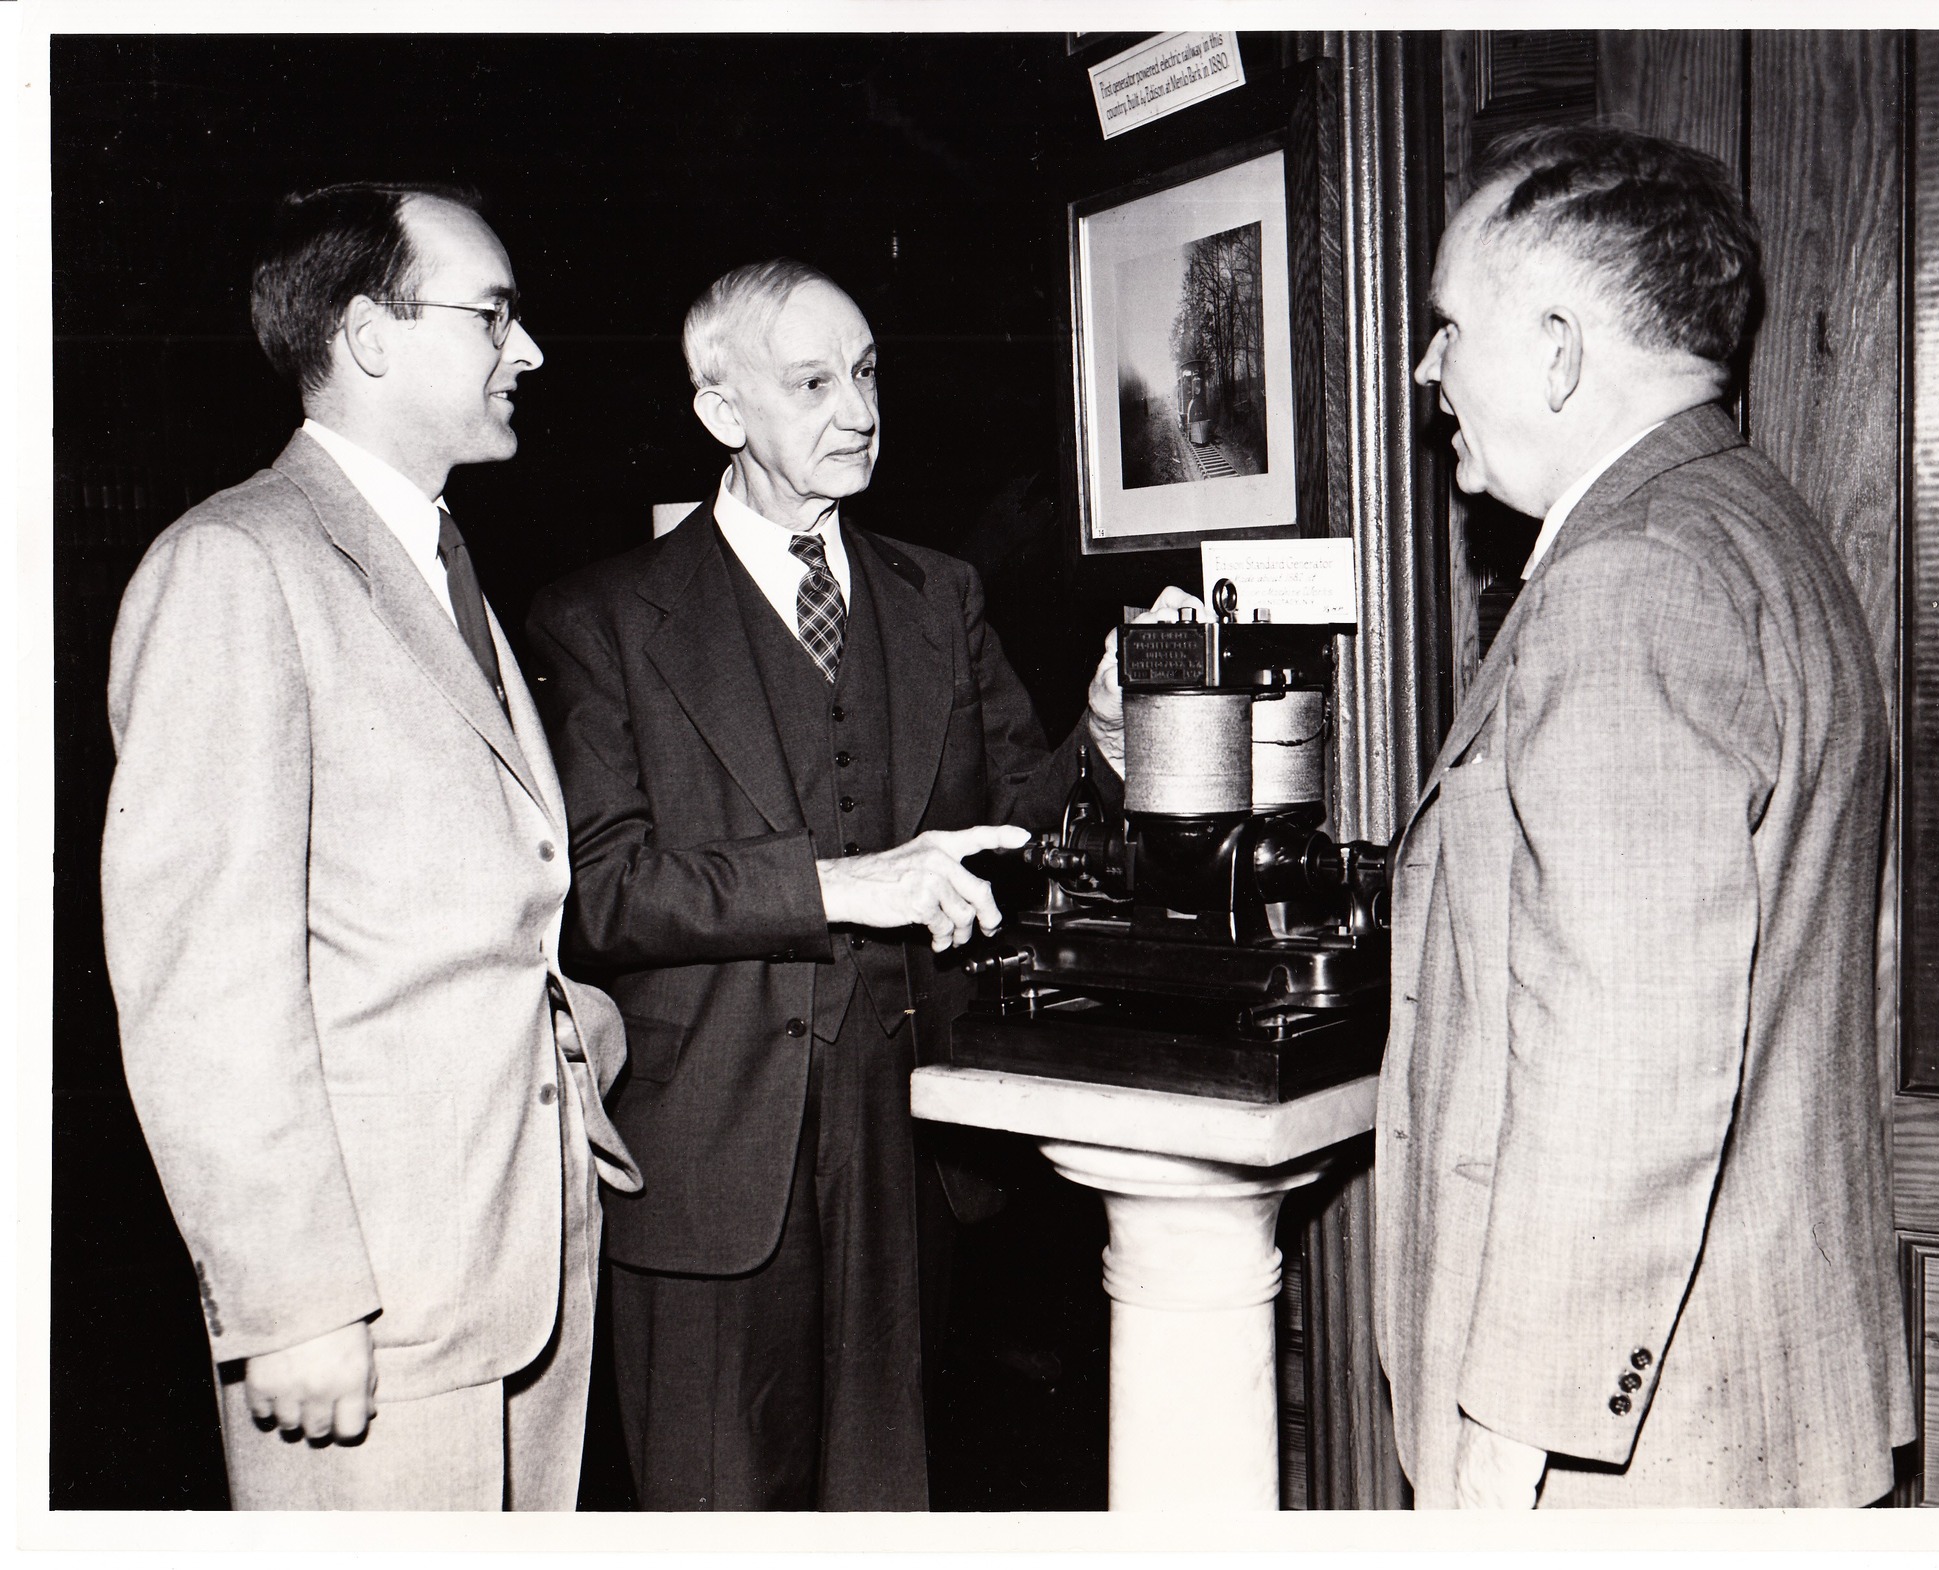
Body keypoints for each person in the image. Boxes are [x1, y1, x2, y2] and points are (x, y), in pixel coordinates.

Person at [525, 258, 1168, 1510]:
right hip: (708, 1162)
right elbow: (599, 890)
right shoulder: (600, 618)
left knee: (893, 1500)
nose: (860, 411)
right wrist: (834, 884)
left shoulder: (940, 594)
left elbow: (1009, 835)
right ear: (722, 410)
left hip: (908, 1144)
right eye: (813, 381)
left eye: (866, 373)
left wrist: (1102, 739)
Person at [1373, 124, 1915, 1508]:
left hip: (1626, 1447)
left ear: (1553, 353)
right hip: (1751, 1378)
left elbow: (1618, 1069)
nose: (1425, 369)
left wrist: (1507, 1435)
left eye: (1446, 327)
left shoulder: (1626, 583)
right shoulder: (1761, 530)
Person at [100, 182, 640, 1511]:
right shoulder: (236, 562)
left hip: (506, 1260)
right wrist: (291, 1300)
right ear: (368, 335)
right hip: (368, 1301)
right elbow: (202, 977)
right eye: (494, 316)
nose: (529, 352)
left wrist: (571, 1026)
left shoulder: (434, 563)